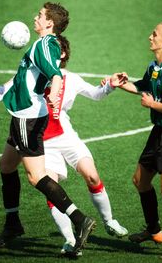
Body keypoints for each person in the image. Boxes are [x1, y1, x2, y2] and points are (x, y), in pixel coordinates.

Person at [0, 2, 95, 255]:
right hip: (22, 115)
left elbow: (55, 74)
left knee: (36, 176)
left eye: (40, 16)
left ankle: (80, 220)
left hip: (28, 118)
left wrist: (55, 94)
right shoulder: (47, 45)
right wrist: (0, 92)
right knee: (6, 165)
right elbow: (23, 76)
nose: (35, 18)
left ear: (49, 23)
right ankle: (12, 223)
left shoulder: (44, 45)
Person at [43, 35, 128, 256]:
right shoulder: (35, 74)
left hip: (66, 135)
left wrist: (110, 85)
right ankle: (71, 240)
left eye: (53, 48)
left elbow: (95, 94)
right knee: (51, 190)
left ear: (62, 54)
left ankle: (109, 221)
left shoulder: (70, 78)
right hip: (43, 142)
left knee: (92, 175)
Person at [119, 22, 162, 260]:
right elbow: (142, 87)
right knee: (140, 180)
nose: (149, 37)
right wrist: (120, 83)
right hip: (159, 131)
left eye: (154, 34)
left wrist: (153, 105)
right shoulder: (154, 66)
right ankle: (153, 229)